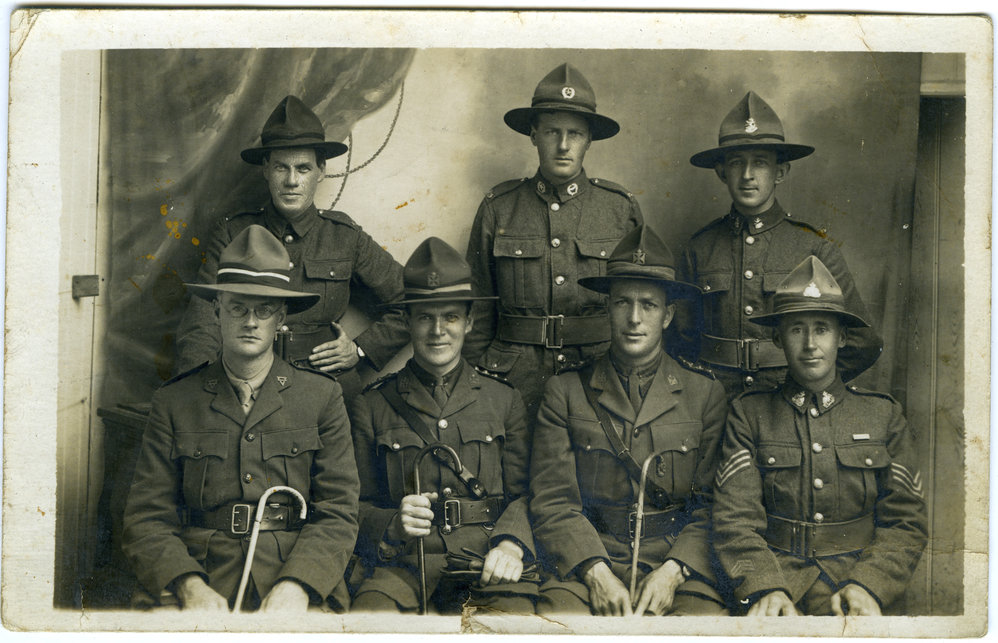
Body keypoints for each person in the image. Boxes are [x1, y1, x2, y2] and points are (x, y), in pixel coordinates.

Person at [123, 225, 360, 612]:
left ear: (280, 316)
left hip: (292, 574)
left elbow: (339, 512)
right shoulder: (174, 401)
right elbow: (146, 518)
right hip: (202, 576)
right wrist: (188, 585)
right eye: (237, 307)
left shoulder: (321, 397)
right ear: (216, 311)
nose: (251, 321)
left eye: (264, 309)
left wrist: (297, 586)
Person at [529, 225, 729, 616]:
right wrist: (595, 571)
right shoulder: (565, 391)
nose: (634, 318)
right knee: (558, 625)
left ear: (668, 315)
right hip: (588, 559)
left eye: (648, 306)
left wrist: (673, 572)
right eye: (622, 303)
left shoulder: (705, 395)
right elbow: (553, 502)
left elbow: (713, 506)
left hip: (676, 562)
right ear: (608, 308)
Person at [712, 256, 927, 616]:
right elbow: (734, 518)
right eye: (797, 329)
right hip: (778, 585)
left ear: (842, 337)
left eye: (822, 329)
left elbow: (906, 520)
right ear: (778, 338)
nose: (810, 344)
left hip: (857, 583)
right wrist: (765, 587)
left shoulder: (883, 414)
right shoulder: (748, 415)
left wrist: (869, 585)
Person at [176, 95, 408, 401]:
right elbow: (203, 318)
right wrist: (202, 389)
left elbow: (413, 301)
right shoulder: (233, 232)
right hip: (246, 387)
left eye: (303, 168)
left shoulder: (345, 236)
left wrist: (361, 350)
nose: (291, 181)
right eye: (281, 168)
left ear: (321, 171)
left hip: (325, 388)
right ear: (265, 170)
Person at [349, 237, 536, 613]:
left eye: (450, 316)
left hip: (485, 561)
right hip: (403, 565)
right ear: (407, 322)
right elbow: (354, 503)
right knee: (370, 621)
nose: (438, 330)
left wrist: (510, 544)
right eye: (425, 317)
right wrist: (390, 526)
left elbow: (527, 493)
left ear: (468, 322)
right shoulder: (371, 405)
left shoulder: (504, 399)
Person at [464, 63, 643, 420]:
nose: (563, 145)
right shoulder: (499, 208)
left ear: (589, 138)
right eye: (551, 132)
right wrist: (477, 382)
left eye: (575, 134)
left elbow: (639, 303)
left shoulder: (619, 209)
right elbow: (478, 308)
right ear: (533, 134)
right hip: (513, 379)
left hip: (599, 375)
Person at [677, 90, 882, 398]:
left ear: (780, 172)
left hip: (786, 404)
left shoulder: (814, 248)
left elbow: (862, 342)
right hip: (715, 404)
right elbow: (680, 340)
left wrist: (808, 387)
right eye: (736, 163)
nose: (747, 175)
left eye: (759, 162)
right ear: (721, 172)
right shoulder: (700, 248)